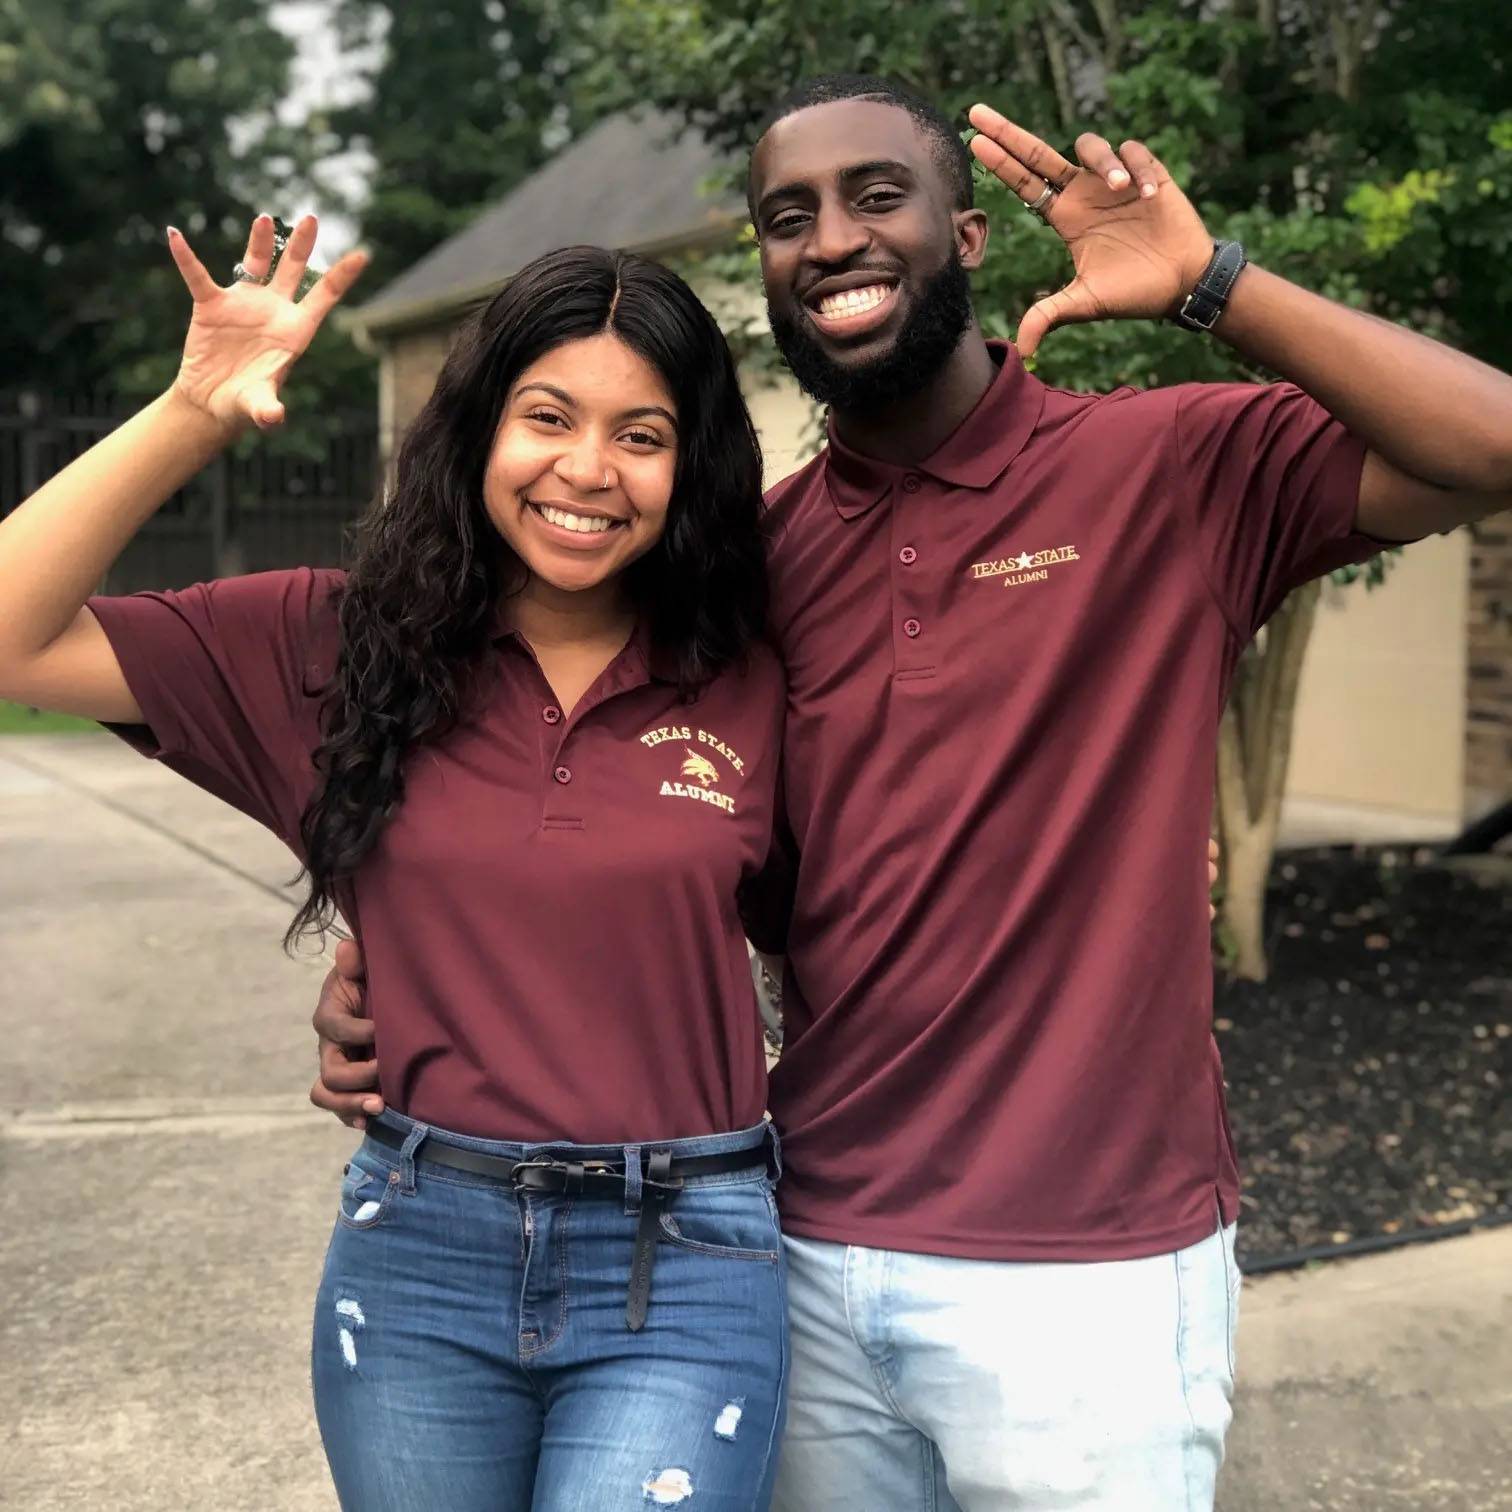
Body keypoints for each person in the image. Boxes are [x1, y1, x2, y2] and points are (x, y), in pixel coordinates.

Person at [311, 73, 1512, 1511]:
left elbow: (1487, 444)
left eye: (877, 197)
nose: (831, 240)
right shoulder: (744, 573)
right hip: (798, 1252)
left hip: (1090, 1280)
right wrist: (399, 963)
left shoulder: (1161, 470)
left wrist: (1213, 283)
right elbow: (650, 844)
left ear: (967, 233)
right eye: (787, 217)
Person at [0, 221, 793, 1509]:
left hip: (685, 1257)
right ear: (479, 427)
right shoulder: (330, 645)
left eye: (641, 436)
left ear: (690, 464)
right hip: (421, 1252)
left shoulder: (757, 669)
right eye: (548, 418)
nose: (587, 471)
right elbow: (8, 635)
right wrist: (193, 410)